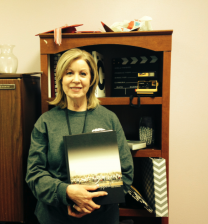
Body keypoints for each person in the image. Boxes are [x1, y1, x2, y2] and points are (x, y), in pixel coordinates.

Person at [26, 48, 134, 224]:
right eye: (69, 73)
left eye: (83, 74)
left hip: (101, 217)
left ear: (91, 80)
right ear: (60, 78)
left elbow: (126, 173)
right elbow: (34, 175)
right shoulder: (45, 122)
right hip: (55, 217)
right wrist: (67, 193)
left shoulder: (109, 119)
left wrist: (89, 203)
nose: (76, 80)